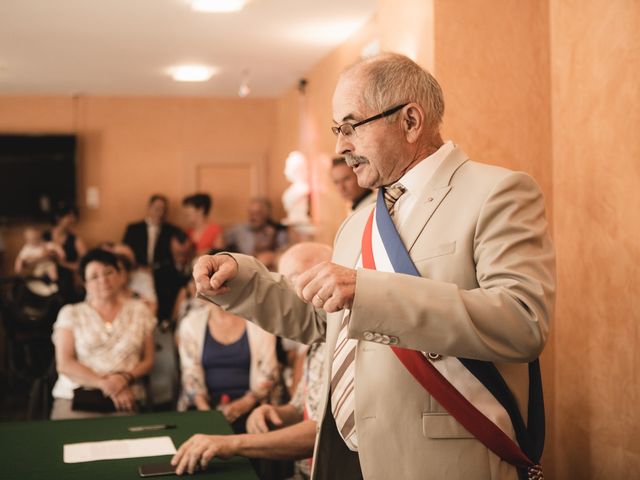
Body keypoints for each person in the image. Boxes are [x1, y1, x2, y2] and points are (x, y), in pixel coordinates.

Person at [182, 53, 556, 480]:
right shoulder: (358, 221)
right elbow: (325, 319)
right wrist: (242, 281)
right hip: (347, 458)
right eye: (336, 131)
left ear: (410, 121)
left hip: (441, 459)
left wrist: (367, 291)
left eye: (350, 127)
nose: (340, 147)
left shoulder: (496, 193)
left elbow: (522, 323)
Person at [172, 242, 331, 479]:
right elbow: (299, 409)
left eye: (294, 280)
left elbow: (323, 433)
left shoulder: (344, 338)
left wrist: (233, 443)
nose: (289, 293)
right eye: (283, 281)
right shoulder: (316, 338)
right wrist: (272, 411)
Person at [50, 249, 156, 419]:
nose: (103, 280)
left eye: (109, 272)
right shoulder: (71, 313)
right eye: (94, 276)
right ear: (84, 282)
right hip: (76, 397)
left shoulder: (140, 310)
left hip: (126, 395)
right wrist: (105, 384)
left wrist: (124, 378)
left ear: (120, 275)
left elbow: (148, 360)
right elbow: (65, 364)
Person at [176, 299, 278, 433]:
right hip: (203, 409)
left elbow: (268, 373)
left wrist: (244, 404)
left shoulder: (260, 322)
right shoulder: (190, 323)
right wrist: (208, 413)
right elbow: (190, 375)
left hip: (251, 408)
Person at [122, 194, 187, 320]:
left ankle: (164, 320)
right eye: (157, 208)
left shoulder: (172, 230)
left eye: (163, 209)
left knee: (171, 281)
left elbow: (176, 255)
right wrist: (139, 267)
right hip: (138, 269)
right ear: (149, 208)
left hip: (162, 270)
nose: (160, 212)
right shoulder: (133, 229)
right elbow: (126, 254)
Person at [224, 197, 289, 270]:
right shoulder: (238, 230)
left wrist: (272, 241)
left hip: (267, 269)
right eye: (250, 213)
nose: (252, 217)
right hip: (242, 268)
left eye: (257, 213)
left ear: (267, 214)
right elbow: (223, 245)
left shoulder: (278, 231)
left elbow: (284, 253)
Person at [43, 205, 87, 301]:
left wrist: (64, 264)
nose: (73, 219)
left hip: (67, 281)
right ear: (58, 217)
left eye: (73, 216)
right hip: (44, 276)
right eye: (69, 216)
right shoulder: (44, 237)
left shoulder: (76, 240)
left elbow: (85, 264)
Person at [14, 226, 64, 296]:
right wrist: (19, 267)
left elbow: (54, 247)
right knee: (37, 275)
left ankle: (54, 283)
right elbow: (20, 259)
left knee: (52, 269)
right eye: (32, 239)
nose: (35, 241)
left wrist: (60, 252)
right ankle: (47, 284)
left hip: (47, 264)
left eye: (36, 238)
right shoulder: (27, 248)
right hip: (37, 269)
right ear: (27, 240)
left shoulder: (44, 245)